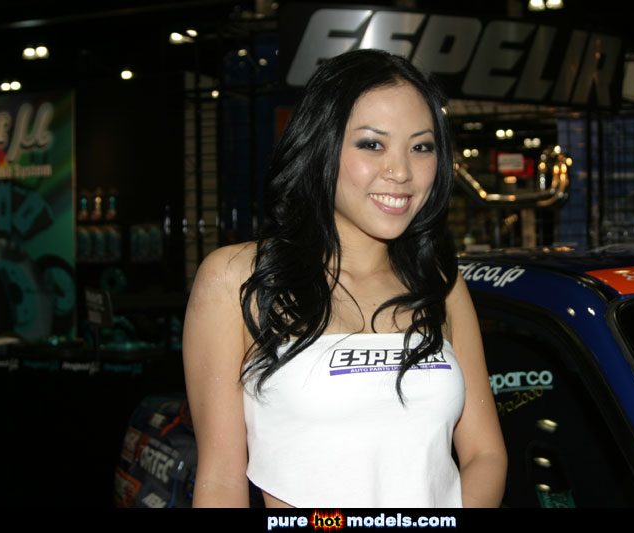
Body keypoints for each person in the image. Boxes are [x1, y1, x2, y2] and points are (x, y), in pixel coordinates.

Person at [182, 48, 507, 508]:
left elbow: (485, 454)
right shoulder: (237, 278)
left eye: (421, 147)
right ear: (322, 144)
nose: (401, 172)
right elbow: (220, 481)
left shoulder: (439, 283)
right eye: (372, 144)